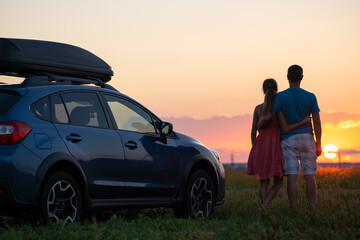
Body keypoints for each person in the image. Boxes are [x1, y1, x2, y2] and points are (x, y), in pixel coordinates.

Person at [247, 78, 310, 210]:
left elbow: (253, 130)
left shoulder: (258, 109)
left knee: (263, 181)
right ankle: (264, 206)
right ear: (277, 89)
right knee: (278, 181)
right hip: (277, 145)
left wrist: (255, 148)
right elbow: (286, 126)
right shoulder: (280, 108)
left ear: (263, 90)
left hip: (261, 145)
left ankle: (264, 208)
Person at [273, 65, 322, 208]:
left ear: (287, 77)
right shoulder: (311, 96)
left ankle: (294, 207)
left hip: (288, 140)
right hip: (307, 139)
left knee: (292, 178)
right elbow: (317, 123)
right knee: (309, 176)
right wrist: (318, 143)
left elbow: (277, 120)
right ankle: (312, 206)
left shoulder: (280, 97)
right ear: (302, 78)